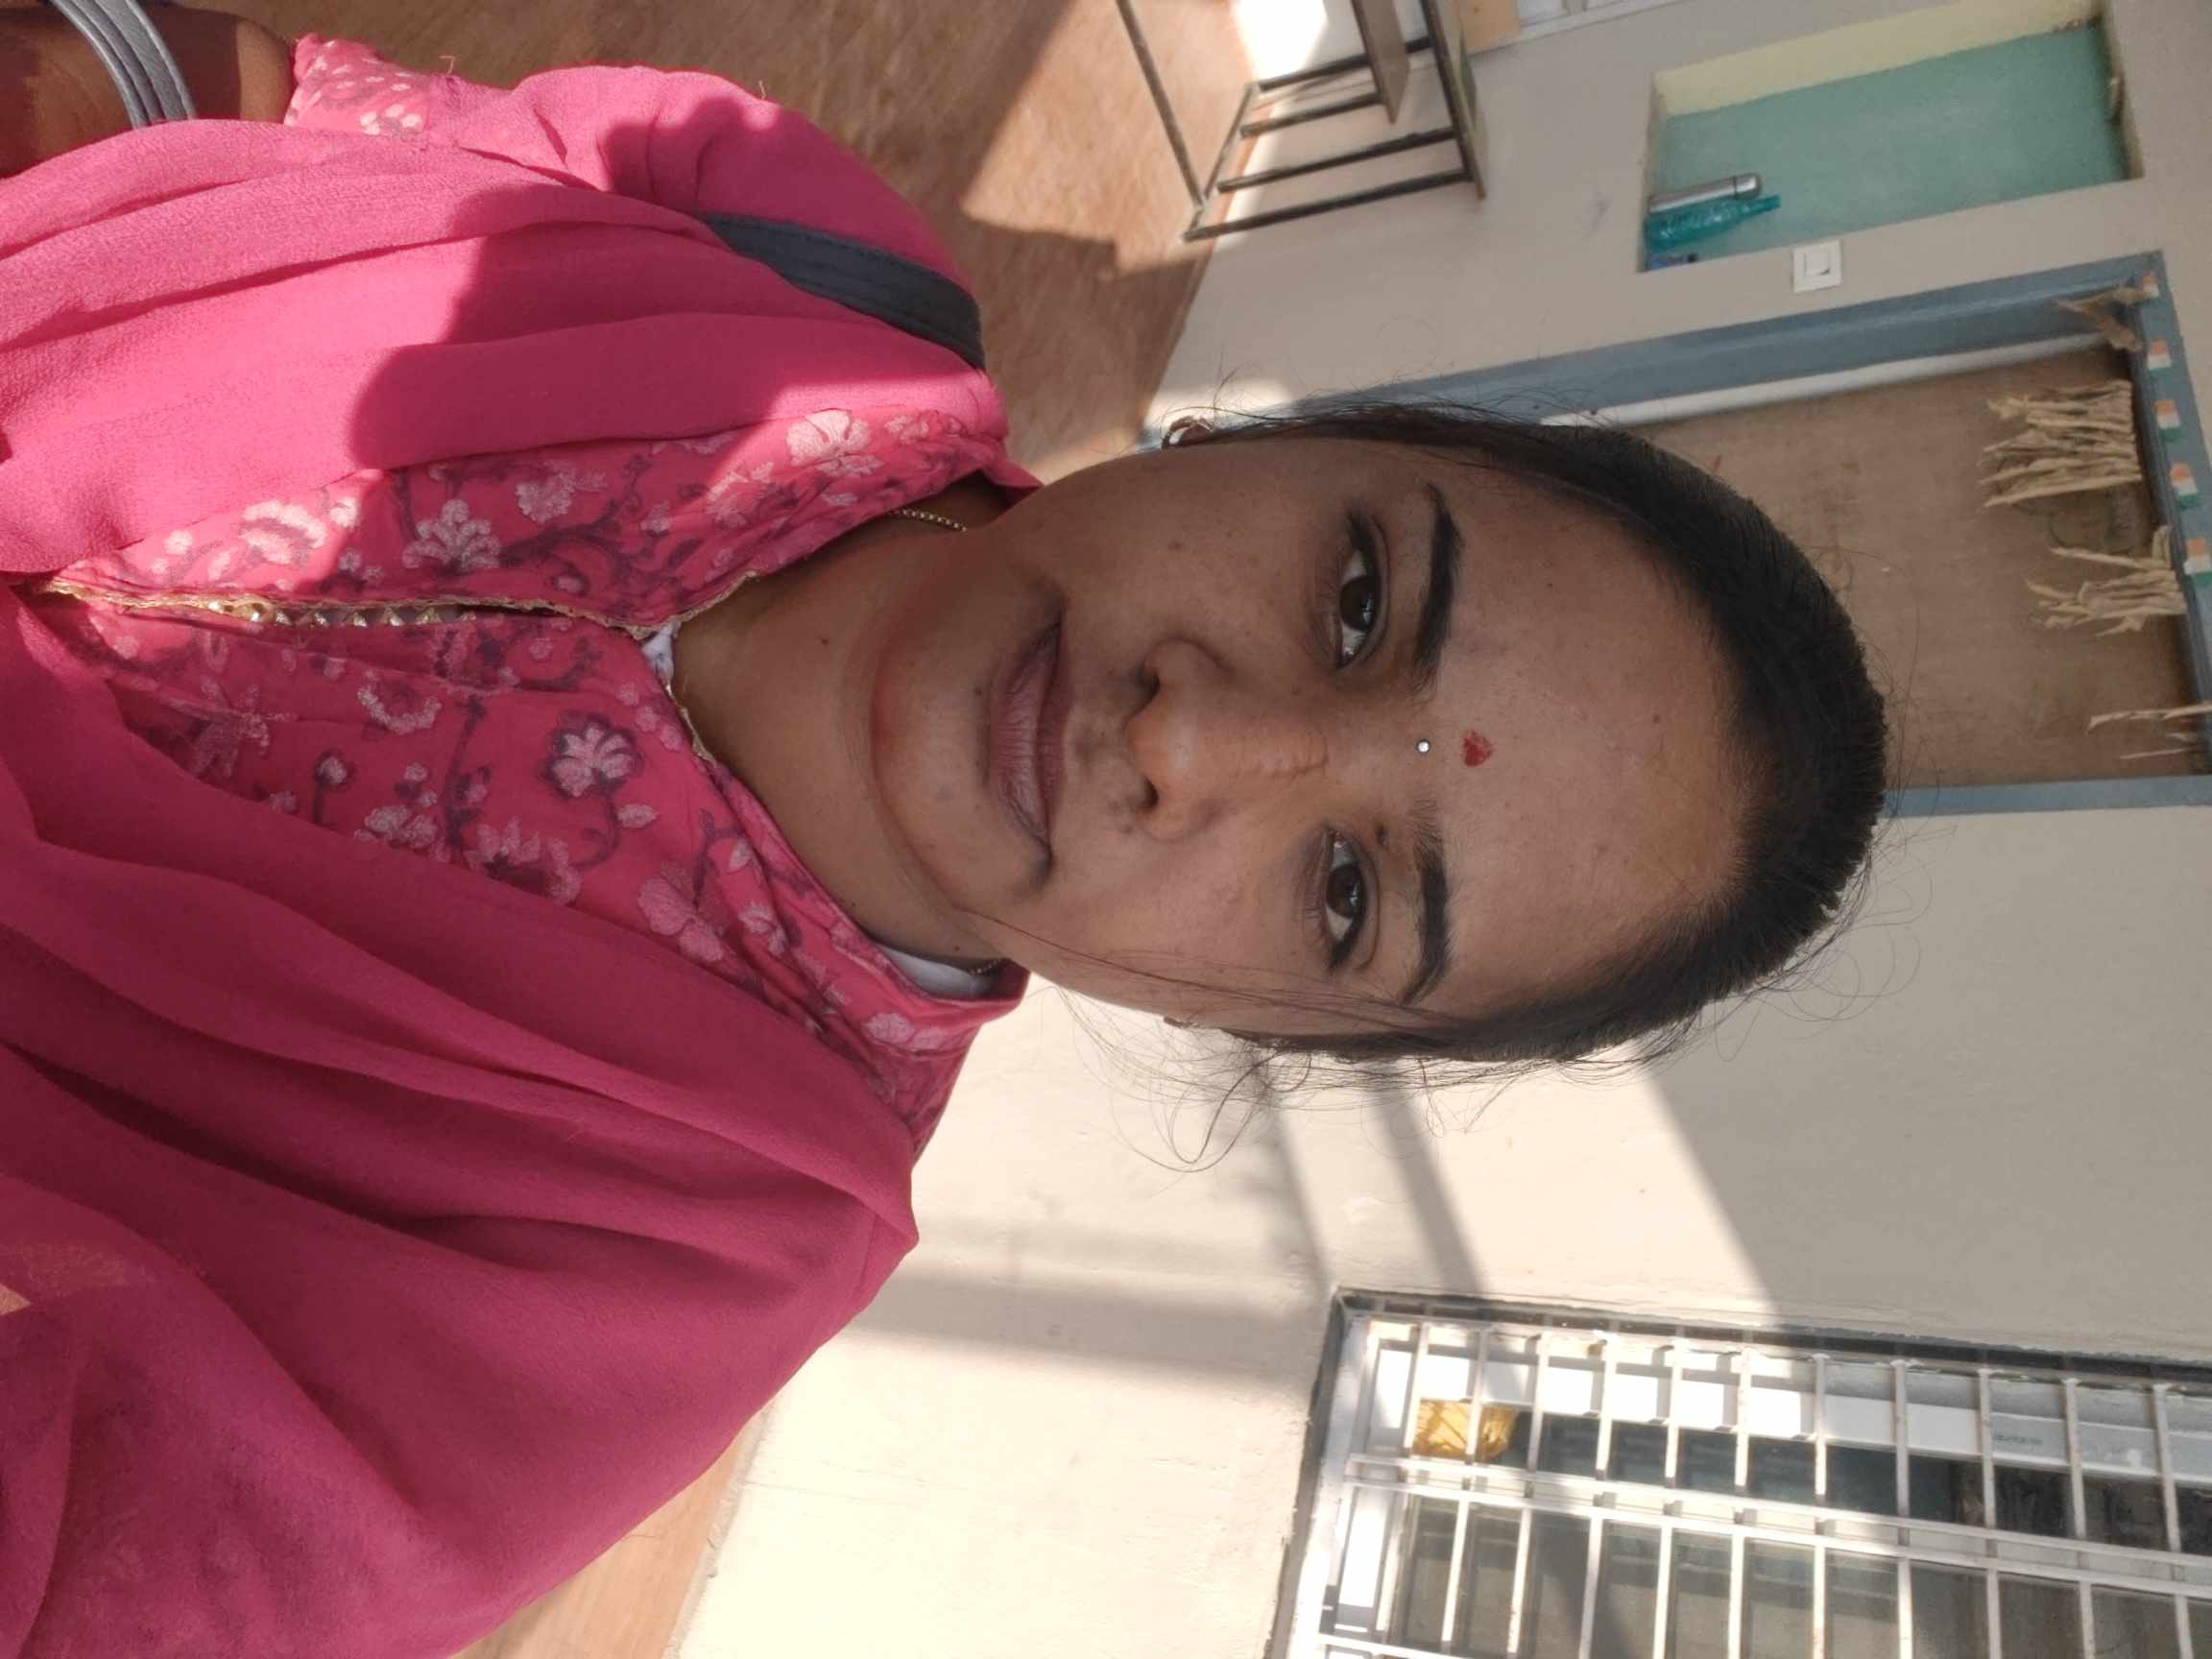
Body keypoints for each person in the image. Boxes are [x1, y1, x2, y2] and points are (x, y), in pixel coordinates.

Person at [0, 11, 1888, 1656]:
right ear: (1265, 438)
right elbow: (246, 96)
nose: (1192, 738)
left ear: (1255, 1021)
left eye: (1342, 893)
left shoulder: (658, 1265)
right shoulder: (789, 255)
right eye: (1358, 597)